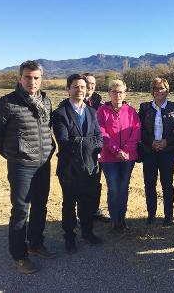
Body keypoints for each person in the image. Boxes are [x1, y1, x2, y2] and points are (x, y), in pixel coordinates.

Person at [0, 60, 55, 274]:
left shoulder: (46, 100)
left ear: (41, 80)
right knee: (20, 211)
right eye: (27, 77)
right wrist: (13, 155)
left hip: (43, 163)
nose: (32, 82)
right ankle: (19, 255)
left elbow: (47, 128)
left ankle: (35, 243)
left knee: (41, 206)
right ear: (19, 78)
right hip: (21, 167)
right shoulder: (7, 103)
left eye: (36, 78)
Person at [52, 74, 103, 254]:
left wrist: (82, 141)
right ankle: (69, 236)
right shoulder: (59, 113)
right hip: (69, 168)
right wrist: (87, 142)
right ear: (68, 89)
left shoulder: (92, 112)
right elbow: (64, 142)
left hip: (90, 167)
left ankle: (87, 232)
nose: (80, 90)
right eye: (75, 86)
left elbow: (99, 139)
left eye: (82, 87)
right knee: (69, 204)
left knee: (87, 203)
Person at [97, 80, 141, 231]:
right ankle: (114, 220)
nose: (117, 95)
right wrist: (116, 151)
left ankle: (122, 219)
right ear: (109, 93)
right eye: (114, 92)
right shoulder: (102, 111)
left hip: (128, 157)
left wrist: (126, 151)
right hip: (109, 158)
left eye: (120, 92)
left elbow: (136, 131)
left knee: (123, 187)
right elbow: (102, 133)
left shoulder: (131, 111)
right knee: (114, 187)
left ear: (125, 93)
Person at [139, 77, 174, 226]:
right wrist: (151, 142)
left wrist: (167, 141)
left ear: (167, 90)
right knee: (149, 184)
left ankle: (168, 215)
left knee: (167, 183)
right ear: (152, 91)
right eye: (155, 88)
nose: (158, 91)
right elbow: (140, 130)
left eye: (161, 88)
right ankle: (151, 214)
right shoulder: (144, 107)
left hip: (168, 151)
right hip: (149, 151)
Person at [82, 72, 109, 223]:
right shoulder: (73, 102)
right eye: (88, 84)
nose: (90, 87)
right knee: (82, 181)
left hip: (97, 148)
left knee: (95, 180)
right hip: (81, 149)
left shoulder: (99, 101)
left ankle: (95, 210)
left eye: (93, 84)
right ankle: (83, 212)